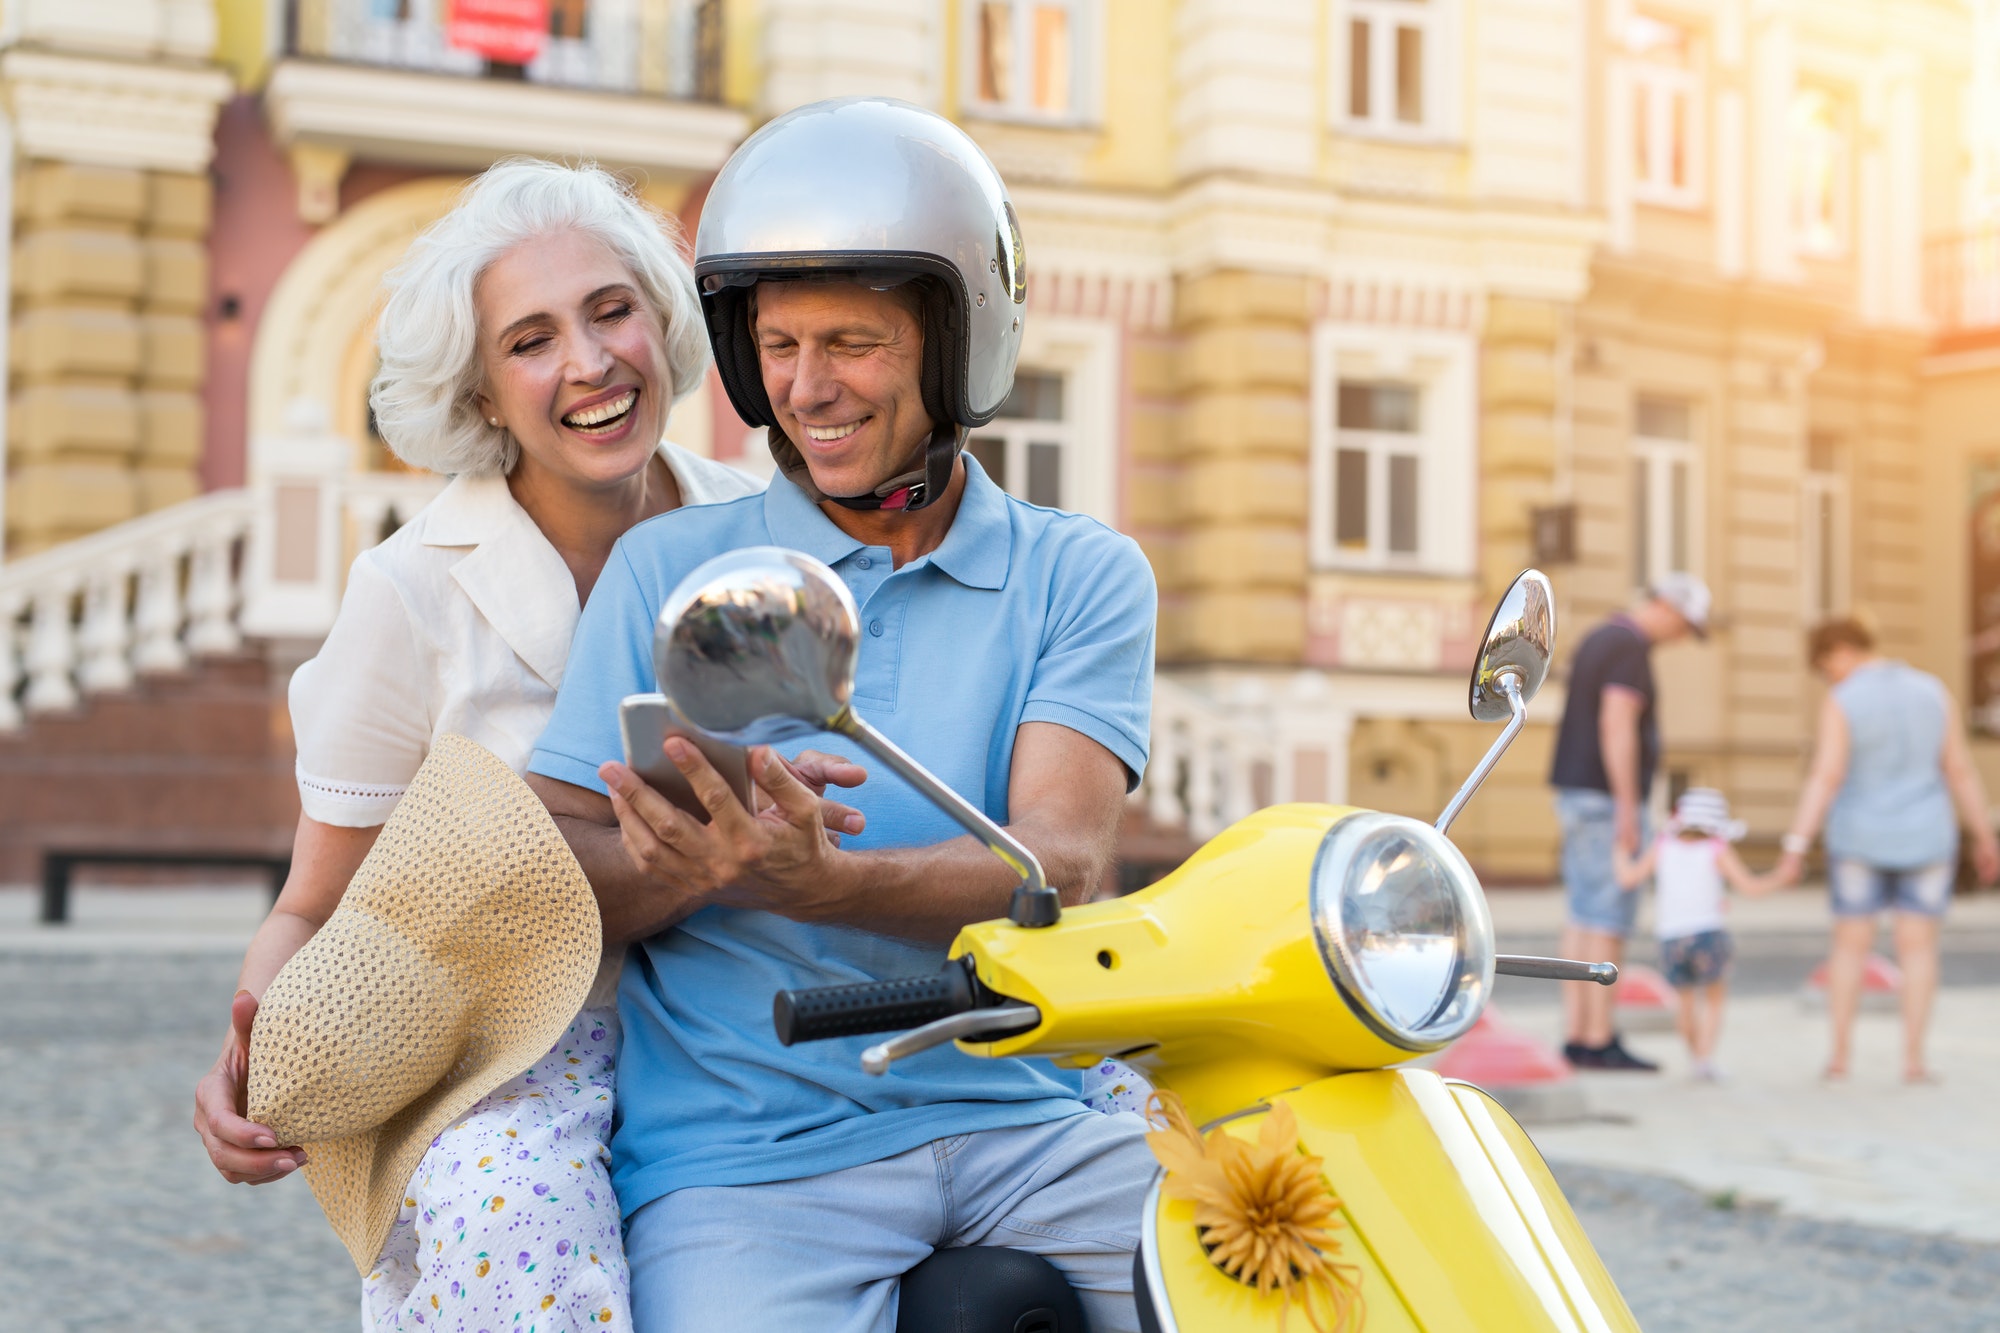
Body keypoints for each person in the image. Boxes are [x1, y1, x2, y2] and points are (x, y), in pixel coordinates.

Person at [524, 99, 1159, 1333]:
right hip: (749, 1155)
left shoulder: (1077, 574)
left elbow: (1061, 864)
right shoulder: (666, 571)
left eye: (852, 344)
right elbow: (559, 863)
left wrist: (821, 883)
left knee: (1298, 1288)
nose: (806, 389)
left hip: (1023, 1116)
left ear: (955, 340)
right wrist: (700, 868)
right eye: (778, 345)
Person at [188, 159, 835, 1330]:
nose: (588, 363)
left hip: (750, 1009)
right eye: (530, 340)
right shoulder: (407, 592)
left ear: (660, 322)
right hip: (511, 1050)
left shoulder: (765, 535)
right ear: (482, 393)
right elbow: (317, 904)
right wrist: (249, 1069)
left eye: (610, 310)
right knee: (510, 1198)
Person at [1774, 617, 2000, 1083]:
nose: (1829, 678)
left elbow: (1826, 776)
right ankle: (1913, 1061)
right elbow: (1958, 769)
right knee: (1918, 952)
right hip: (1927, 836)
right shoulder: (1933, 691)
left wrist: (1795, 844)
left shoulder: (1843, 700)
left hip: (1859, 838)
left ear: (1838, 652)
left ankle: (1839, 1058)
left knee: (1849, 949)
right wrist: (1984, 836)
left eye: (1824, 668)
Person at [1548, 572, 1711, 1071]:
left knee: (1581, 914)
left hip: (1576, 790)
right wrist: (1627, 805)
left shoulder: (1600, 637)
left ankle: (1578, 1033)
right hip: (1604, 797)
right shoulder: (1629, 648)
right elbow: (1616, 723)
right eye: (1685, 626)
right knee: (1607, 917)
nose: (1682, 637)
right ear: (1665, 607)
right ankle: (1598, 1039)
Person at [1613, 787, 1778, 1081]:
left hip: (1670, 937)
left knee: (1684, 1003)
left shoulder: (1662, 844)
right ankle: (1705, 1059)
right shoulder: (1717, 847)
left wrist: (1619, 851)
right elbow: (1750, 888)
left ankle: (1694, 1058)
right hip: (1708, 933)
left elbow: (1628, 878)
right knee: (1714, 999)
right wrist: (1782, 877)